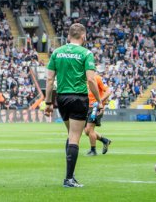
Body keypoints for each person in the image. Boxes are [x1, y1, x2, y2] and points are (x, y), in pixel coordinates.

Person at [44, 23, 101, 188]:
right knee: (75, 137)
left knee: (71, 135)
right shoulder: (86, 53)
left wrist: (48, 103)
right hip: (78, 98)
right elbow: (91, 80)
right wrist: (98, 99)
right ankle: (68, 178)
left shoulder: (57, 52)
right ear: (83, 37)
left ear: (68, 37)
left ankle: (71, 173)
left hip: (61, 98)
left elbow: (49, 80)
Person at [85, 73, 112, 156]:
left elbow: (108, 91)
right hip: (85, 107)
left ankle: (93, 150)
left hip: (95, 107)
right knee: (87, 131)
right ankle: (105, 140)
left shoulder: (97, 78)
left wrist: (99, 101)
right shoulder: (83, 80)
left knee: (90, 129)